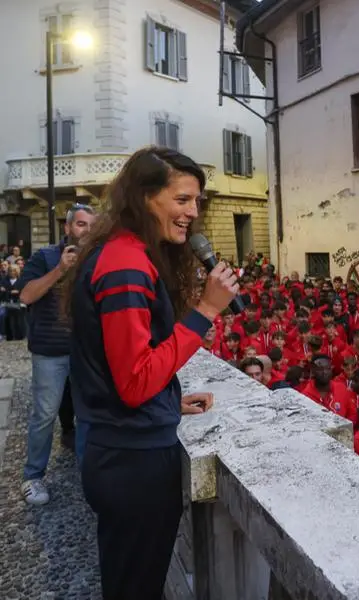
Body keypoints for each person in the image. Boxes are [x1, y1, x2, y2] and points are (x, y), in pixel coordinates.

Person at [64, 148, 235, 599]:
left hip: (123, 449)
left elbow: (112, 367)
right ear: (144, 197)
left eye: (196, 202)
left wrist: (169, 398)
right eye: (182, 200)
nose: (192, 214)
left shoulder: (123, 253)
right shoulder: (125, 265)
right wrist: (204, 312)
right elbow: (135, 381)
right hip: (132, 462)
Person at [18, 203, 96, 505]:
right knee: (44, 415)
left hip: (86, 351)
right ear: (67, 228)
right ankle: (33, 476)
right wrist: (60, 270)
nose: (86, 231)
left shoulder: (97, 260)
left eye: (91, 225)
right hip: (50, 351)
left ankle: (89, 474)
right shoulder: (45, 257)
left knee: (88, 413)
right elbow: (26, 295)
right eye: (80, 224)